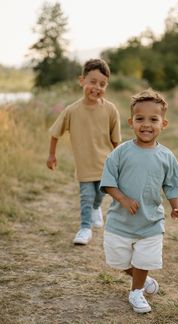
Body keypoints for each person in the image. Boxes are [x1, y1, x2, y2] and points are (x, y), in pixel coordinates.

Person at [100, 88, 178, 313]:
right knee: (118, 261)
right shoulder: (121, 152)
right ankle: (143, 279)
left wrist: (176, 207)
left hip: (150, 222)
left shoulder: (166, 156)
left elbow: (172, 184)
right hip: (121, 221)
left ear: (163, 124)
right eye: (140, 119)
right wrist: (123, 199)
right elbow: (108, 181)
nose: (146, 124)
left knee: (145, 259)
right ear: (131, 122)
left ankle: (136, 292)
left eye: (153, 119)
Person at [47, 58, 121, 245]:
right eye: (92, 82)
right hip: (84, 166)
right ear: (82, 81)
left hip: (105, 164)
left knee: (100, 194)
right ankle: (85, 228)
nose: (97, 87)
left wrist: (121, 162)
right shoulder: (72, 111)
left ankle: (96, 208)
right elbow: (55, 133)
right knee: (86, 197)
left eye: (102, 84)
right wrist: (52, 155)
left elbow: (115, 140)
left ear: (107, 86)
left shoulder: (111, 110)